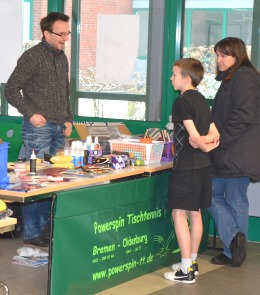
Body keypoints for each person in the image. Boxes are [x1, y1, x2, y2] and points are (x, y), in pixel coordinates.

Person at [4, 12, 73, 248]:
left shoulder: (62, 58)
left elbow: (65, 92)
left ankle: (47, 231)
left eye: (67, 33)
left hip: (58, 127)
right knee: (36, 182)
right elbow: (11, 90)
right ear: (46, 33)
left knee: (54, 181)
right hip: (38, 129)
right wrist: (31, 114)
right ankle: (33, 234)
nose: (65, 38)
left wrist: (69, 119)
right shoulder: (32, 57)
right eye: (61, 33)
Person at [163, 58, 219, 284]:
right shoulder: (203, 101)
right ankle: (192, 262)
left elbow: (194, 135)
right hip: (203, 166)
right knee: (194, 213)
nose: (171, 78)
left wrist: (202, 143)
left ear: (187, 78)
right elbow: (216, 135)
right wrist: (208, 145)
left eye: (174, 74)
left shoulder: (182, 102)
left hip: (186, 166)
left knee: (179, 213)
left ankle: (186, 271)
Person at [207, 37, 260, 267]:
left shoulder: (244, 76)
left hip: (235, 151)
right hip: (232, 151)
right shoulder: (233, 77)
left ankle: (232, 245)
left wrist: (219, 142)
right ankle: (233, 248)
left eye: (224, 55)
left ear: (237, 55)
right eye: (217, 55)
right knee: (219, 195)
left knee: (219, 195)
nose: (219, 59)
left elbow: (242, 116)